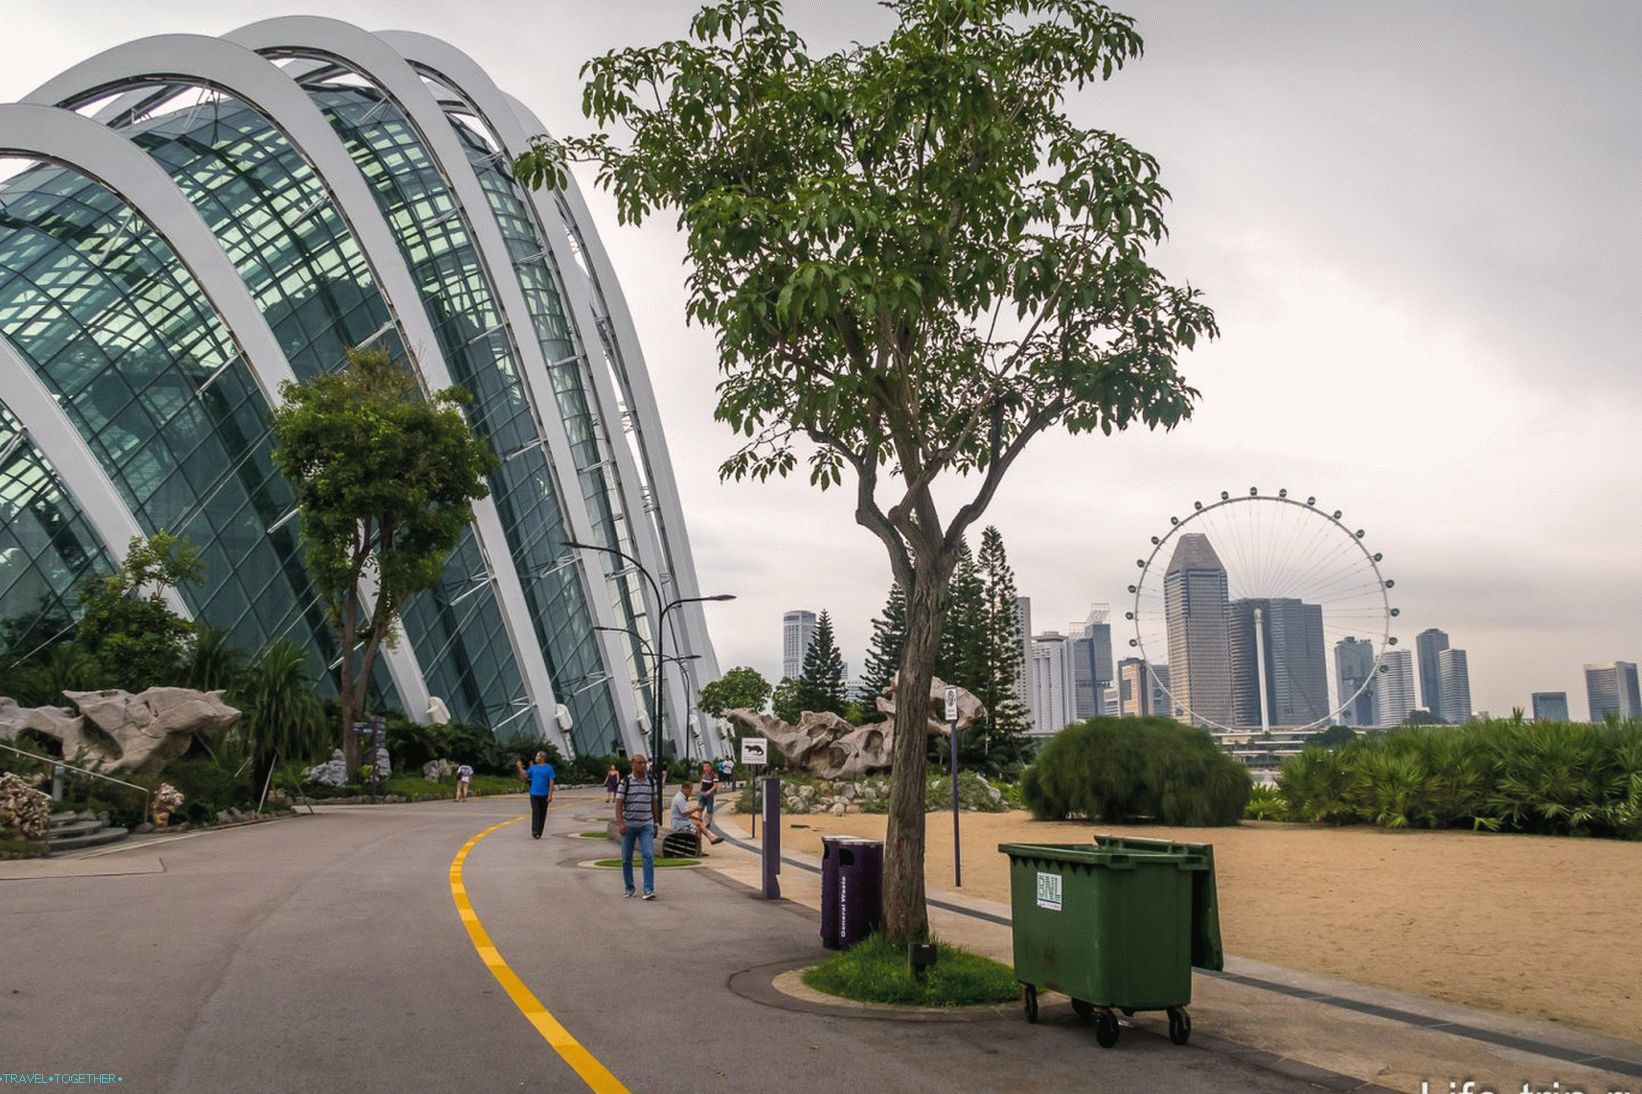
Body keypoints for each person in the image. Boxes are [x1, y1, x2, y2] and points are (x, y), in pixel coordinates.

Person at [615, 754, 659, 899]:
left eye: (645, 763)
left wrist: (656, 823)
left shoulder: (651, 782)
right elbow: (619, 804)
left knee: (648, 856)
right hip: (629, 825)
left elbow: (654, 803)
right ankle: (629, 887)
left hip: (646, 824)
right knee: (626, 858)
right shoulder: (625, 782)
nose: (643, 766)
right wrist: (620, 823)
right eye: (640, 763)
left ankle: (648, 889)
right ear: (632, 764)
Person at [515, 751, 556, 839]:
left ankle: (539, 831)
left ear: (543, 758)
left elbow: (551, 781)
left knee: (542, 813)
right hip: (534, 794)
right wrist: (519, 768)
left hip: (544, 794)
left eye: (538, 756)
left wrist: (550, 795)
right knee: (535, 811)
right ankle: (535, 830)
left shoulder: (549, 768)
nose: (536, 757)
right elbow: (525, 776)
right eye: (536, 756)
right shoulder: (533, 768)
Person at [670, 779, 722, 848]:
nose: (690, 793)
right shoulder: (679, 799)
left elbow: (686, 814)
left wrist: (696, 818)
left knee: (698, 823)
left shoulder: (682, 797)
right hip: (678, 824)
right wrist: (696, 809)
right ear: (685, 788)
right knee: (697, 828)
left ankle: (706, 842)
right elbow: (684, 813)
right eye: (690, 791)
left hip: (682, 821)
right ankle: (706, 842)